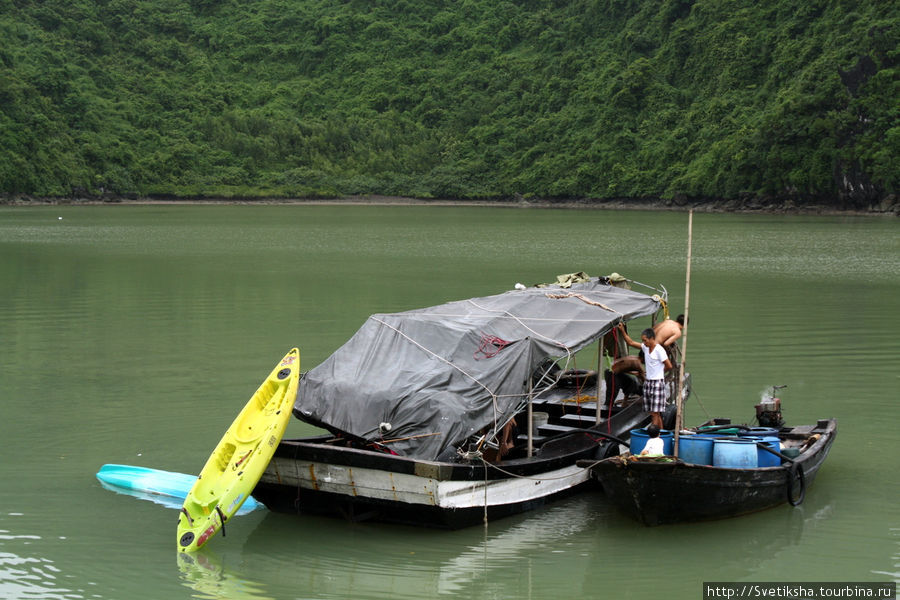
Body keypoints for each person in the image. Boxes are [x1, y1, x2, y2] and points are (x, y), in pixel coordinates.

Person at [618, 323, 673, 429]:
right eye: (643, 341)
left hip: (657, 382)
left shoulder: (659, 350)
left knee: (655, 413)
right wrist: (622, 331)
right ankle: (660, 433)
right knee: (653, 412)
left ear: (652, 338)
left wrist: (659, 373)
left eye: (645, 340)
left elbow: (669, 365)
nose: (644, 343)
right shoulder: (645, 348)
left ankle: (654, 434)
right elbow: (630, 342)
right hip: (648, 383)